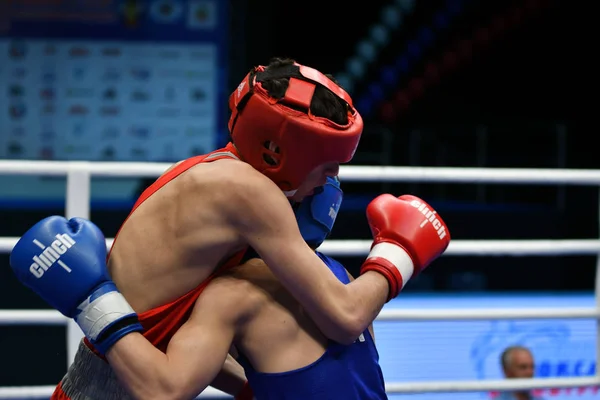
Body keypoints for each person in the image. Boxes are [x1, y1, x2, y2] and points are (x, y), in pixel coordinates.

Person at [10, 58, 450, 398]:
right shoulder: (248, 191)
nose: (332, 177)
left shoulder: (218, 174)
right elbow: (346, 316)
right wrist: (396, 256)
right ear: (278, 152)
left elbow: (177, 339)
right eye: (326, 162)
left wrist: (251, 387)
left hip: (123, 376)